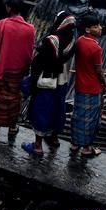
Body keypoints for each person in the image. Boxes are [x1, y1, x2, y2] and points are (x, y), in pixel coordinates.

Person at [24, 12, 77, 157]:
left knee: (41, 110)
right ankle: (54, 138)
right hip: (62, 81)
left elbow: (40, 61)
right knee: (57, 110)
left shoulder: (52, 40)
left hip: (46, 81)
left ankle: (37, 146)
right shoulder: (73, 40)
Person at [0, 0, 35, 141]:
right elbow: (29, 53)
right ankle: (13, 127)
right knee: (15, 99)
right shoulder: (30, 29)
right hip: (18, 72)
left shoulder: (2, 24)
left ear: (8, 7)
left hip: (1, 70)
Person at [70, 12, 106, 157]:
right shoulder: (96, 48)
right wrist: (104, 82)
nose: (100, 28)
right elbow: (99, 70)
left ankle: (74, 144)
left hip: (80, 86)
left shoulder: (79, 41)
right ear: (87, 29)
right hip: (93, 88)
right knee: (90, 119)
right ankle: (86, 148)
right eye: (96, 26)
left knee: (78, 116)